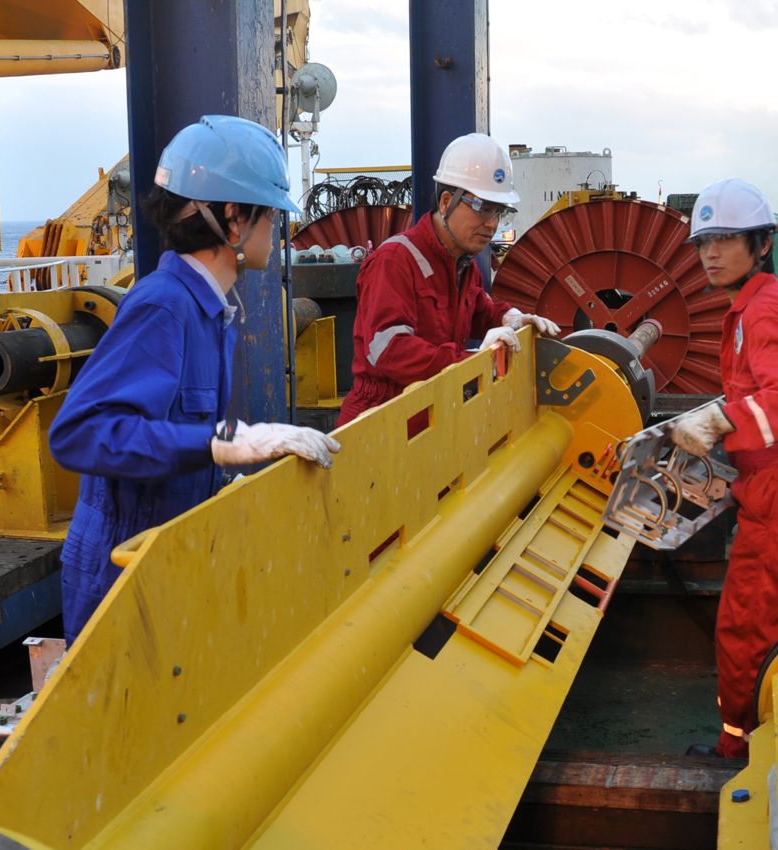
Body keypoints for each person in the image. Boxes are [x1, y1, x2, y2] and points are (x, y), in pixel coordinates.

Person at [50, 114, 341, 643]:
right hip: (123, 578)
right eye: (272, 217)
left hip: (166, 564)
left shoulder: (210, 310)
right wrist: (223, 443)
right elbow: (80, 433)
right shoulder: (165, 306)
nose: (277, 231)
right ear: (233, 219)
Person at [668, 178, 778, 759]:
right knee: (754, 618)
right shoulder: (770, 302)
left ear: (761, 243)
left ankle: (737, 747)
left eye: (725, 240)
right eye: (703, 244)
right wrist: (772, 433)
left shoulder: (762, 313)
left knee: (743, 628)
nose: (710, 254)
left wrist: (724, 423)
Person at [337, 133, 560, 425]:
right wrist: (471, 359)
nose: (491, 223)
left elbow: (481, 310)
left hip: (430, 418)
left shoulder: (462, 265)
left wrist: (512, 318)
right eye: (482, 208)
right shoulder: (395, 260)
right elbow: (389, 350)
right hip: (383, 422)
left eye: (499, 211)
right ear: (446, 202)